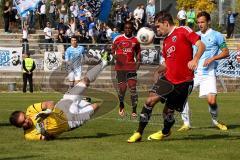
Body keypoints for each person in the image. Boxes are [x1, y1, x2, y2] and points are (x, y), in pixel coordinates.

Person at [127, 11, 205, 143]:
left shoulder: (183, 30)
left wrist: (195, 59)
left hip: (184, 82)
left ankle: (165, 131)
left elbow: (201, 45)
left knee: (167, 113)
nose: (157, 29)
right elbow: (166, 63)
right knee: (149, 101)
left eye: (158, 26)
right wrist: (158, 71)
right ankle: (139, 133)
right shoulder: (166, 41)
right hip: (168, 79)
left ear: (166, 23)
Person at [9, 51, 110, 140]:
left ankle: (104, 62)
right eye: (23, 123)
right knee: (97, 106)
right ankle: (84, 101)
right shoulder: (29, 136)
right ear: (19, 126)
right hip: (72, 121)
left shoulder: (31, 110)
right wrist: (44, 132)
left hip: (64, 104)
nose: (27, 120)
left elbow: (50, 103)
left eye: (25, 117)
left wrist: (47, 112)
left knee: (85, 81)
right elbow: (48, 138)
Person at [178, 11, 230, 132]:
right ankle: (186, 123)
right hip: (194, 73)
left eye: (203, 22)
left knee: (212, 101)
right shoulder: (194, 35)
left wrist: (212, 58)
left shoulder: (217, 35)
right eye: (198, 22)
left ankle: (215, 121)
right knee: (182, 95)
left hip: (209, 73)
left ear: (208, 22)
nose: (200, 24)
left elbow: (226, 52)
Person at [112, 21, 141, 118]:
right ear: (123, 29)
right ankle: (121, 104)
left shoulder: (136, 40)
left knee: (133, 88)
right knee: (122, 89)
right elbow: (112, 51)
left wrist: (138, 64)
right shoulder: (118, 39)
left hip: (131, 68)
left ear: (132, 29)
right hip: (120, 68)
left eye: (129, 28)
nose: (128, 30)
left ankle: (134, 111)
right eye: (126, 28)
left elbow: (138, 54)